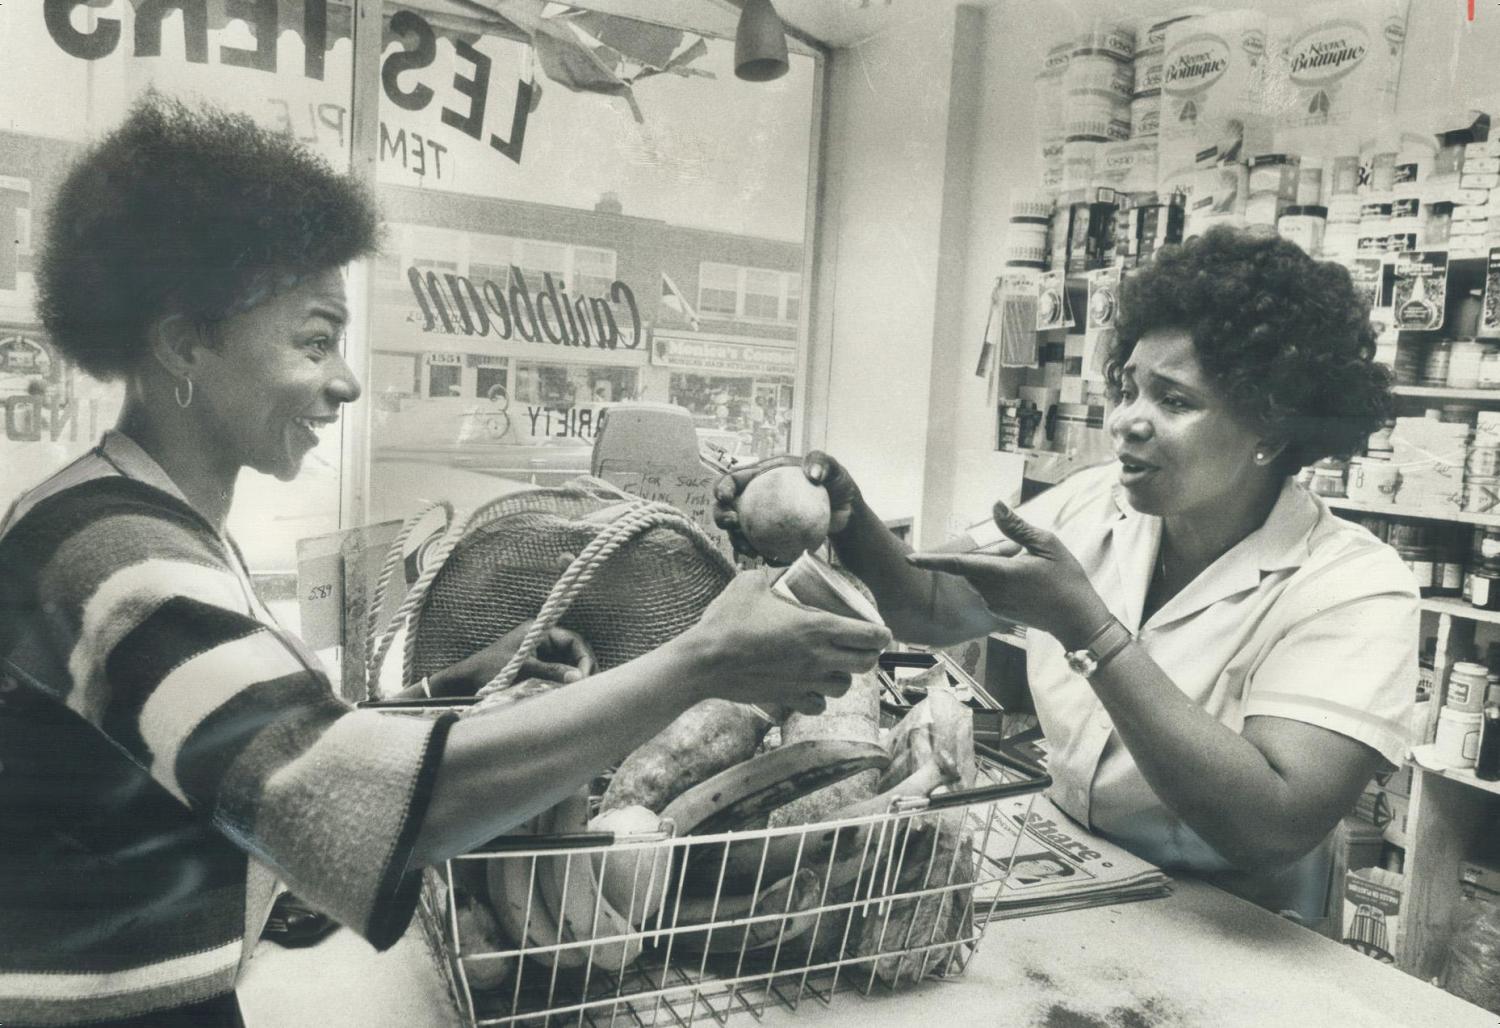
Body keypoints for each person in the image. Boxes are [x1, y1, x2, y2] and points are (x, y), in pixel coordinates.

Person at [0, 97, 890, 1027]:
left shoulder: (120, 517)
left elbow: (241, 752)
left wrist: (442, 690)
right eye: (313, 340)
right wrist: (702, 661)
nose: (344, 379)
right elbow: (346, 809)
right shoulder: (119, 559)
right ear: (185, 341)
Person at [717, 226, 1416, 921]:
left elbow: (1274, 824)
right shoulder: (1094, 500)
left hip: (1237, 927)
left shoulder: (1353, 586)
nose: (1127, 424)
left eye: (1173, 402)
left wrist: (1089, 631)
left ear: (1273, 431)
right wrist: (851, 518)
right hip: (1084, 880)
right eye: (1131, 390)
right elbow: (932, 605)